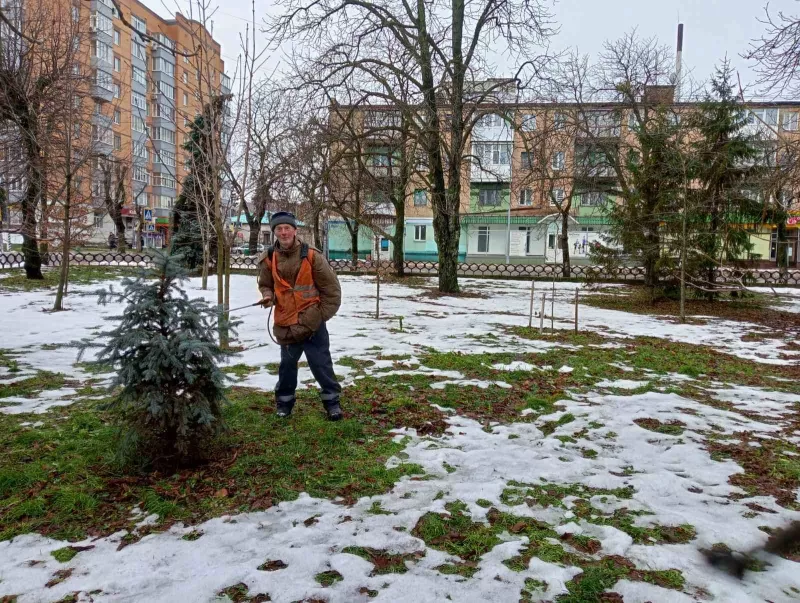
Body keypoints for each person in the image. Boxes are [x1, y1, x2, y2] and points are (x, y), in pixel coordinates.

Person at [257, 211, 343, 420]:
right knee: (287, 367)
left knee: (321, 365)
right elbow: (265, 284)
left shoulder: (312, 255)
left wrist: (320, 317)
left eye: (287, 228)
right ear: (275, 232)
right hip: (285, 322)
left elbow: (332, 291)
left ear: (295, 230)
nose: (284, 232)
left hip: (312, 323)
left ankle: (332, 403)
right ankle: (284, 403)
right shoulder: (269, 257)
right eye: (279, 229)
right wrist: (268, 296)